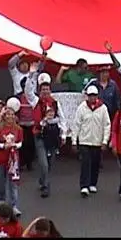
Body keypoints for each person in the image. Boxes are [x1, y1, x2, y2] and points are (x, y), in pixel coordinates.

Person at [24, 60, 68, 198]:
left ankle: (43, 179)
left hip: (53, 136)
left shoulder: (55, 103)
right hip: (40, 135)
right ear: (40, 91)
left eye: (47, 89)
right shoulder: (35, 101)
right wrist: (32, 74)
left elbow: (62, 118)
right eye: (42, 89)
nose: (45, 92)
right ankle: (45, 186)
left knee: (50, 163)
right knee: (43, 163)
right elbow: (27, 91)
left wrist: (63, 134)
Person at [73, 85, 111, 197]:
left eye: (94, 96)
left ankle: (92, 183)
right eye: (90, 96)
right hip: (85, 140)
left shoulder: (103, 108)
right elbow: (76, 125)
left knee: (95, 163)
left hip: (97, 141)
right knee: (85, 163)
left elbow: (106, 125)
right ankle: (84, 185)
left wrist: (105, 141)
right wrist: (75, 141)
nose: (92, 98)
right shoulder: (82, 108)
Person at [0, 104, 23, 215]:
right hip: (2, 158)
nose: (10, 117)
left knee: (13, 183)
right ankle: (1, 201)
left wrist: (14, 145)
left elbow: (20, 142)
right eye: (8, 114)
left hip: (13, 159)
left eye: (12, 114)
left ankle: (14, 205)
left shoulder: (18, 129)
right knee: (2, 181)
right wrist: (3, 146)